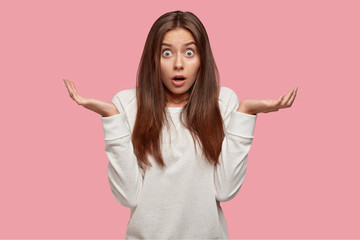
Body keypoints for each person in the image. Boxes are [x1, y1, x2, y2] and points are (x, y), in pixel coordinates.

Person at [64, 10, 297, 240]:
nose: (178, 64)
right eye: (166, 53)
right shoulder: (126, 104)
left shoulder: (223, 102)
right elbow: (127, 196)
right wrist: (112, 118)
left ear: (202, 58)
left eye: (189, 52)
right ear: (153, 59)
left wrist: (245, 114)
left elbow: (225, 191)